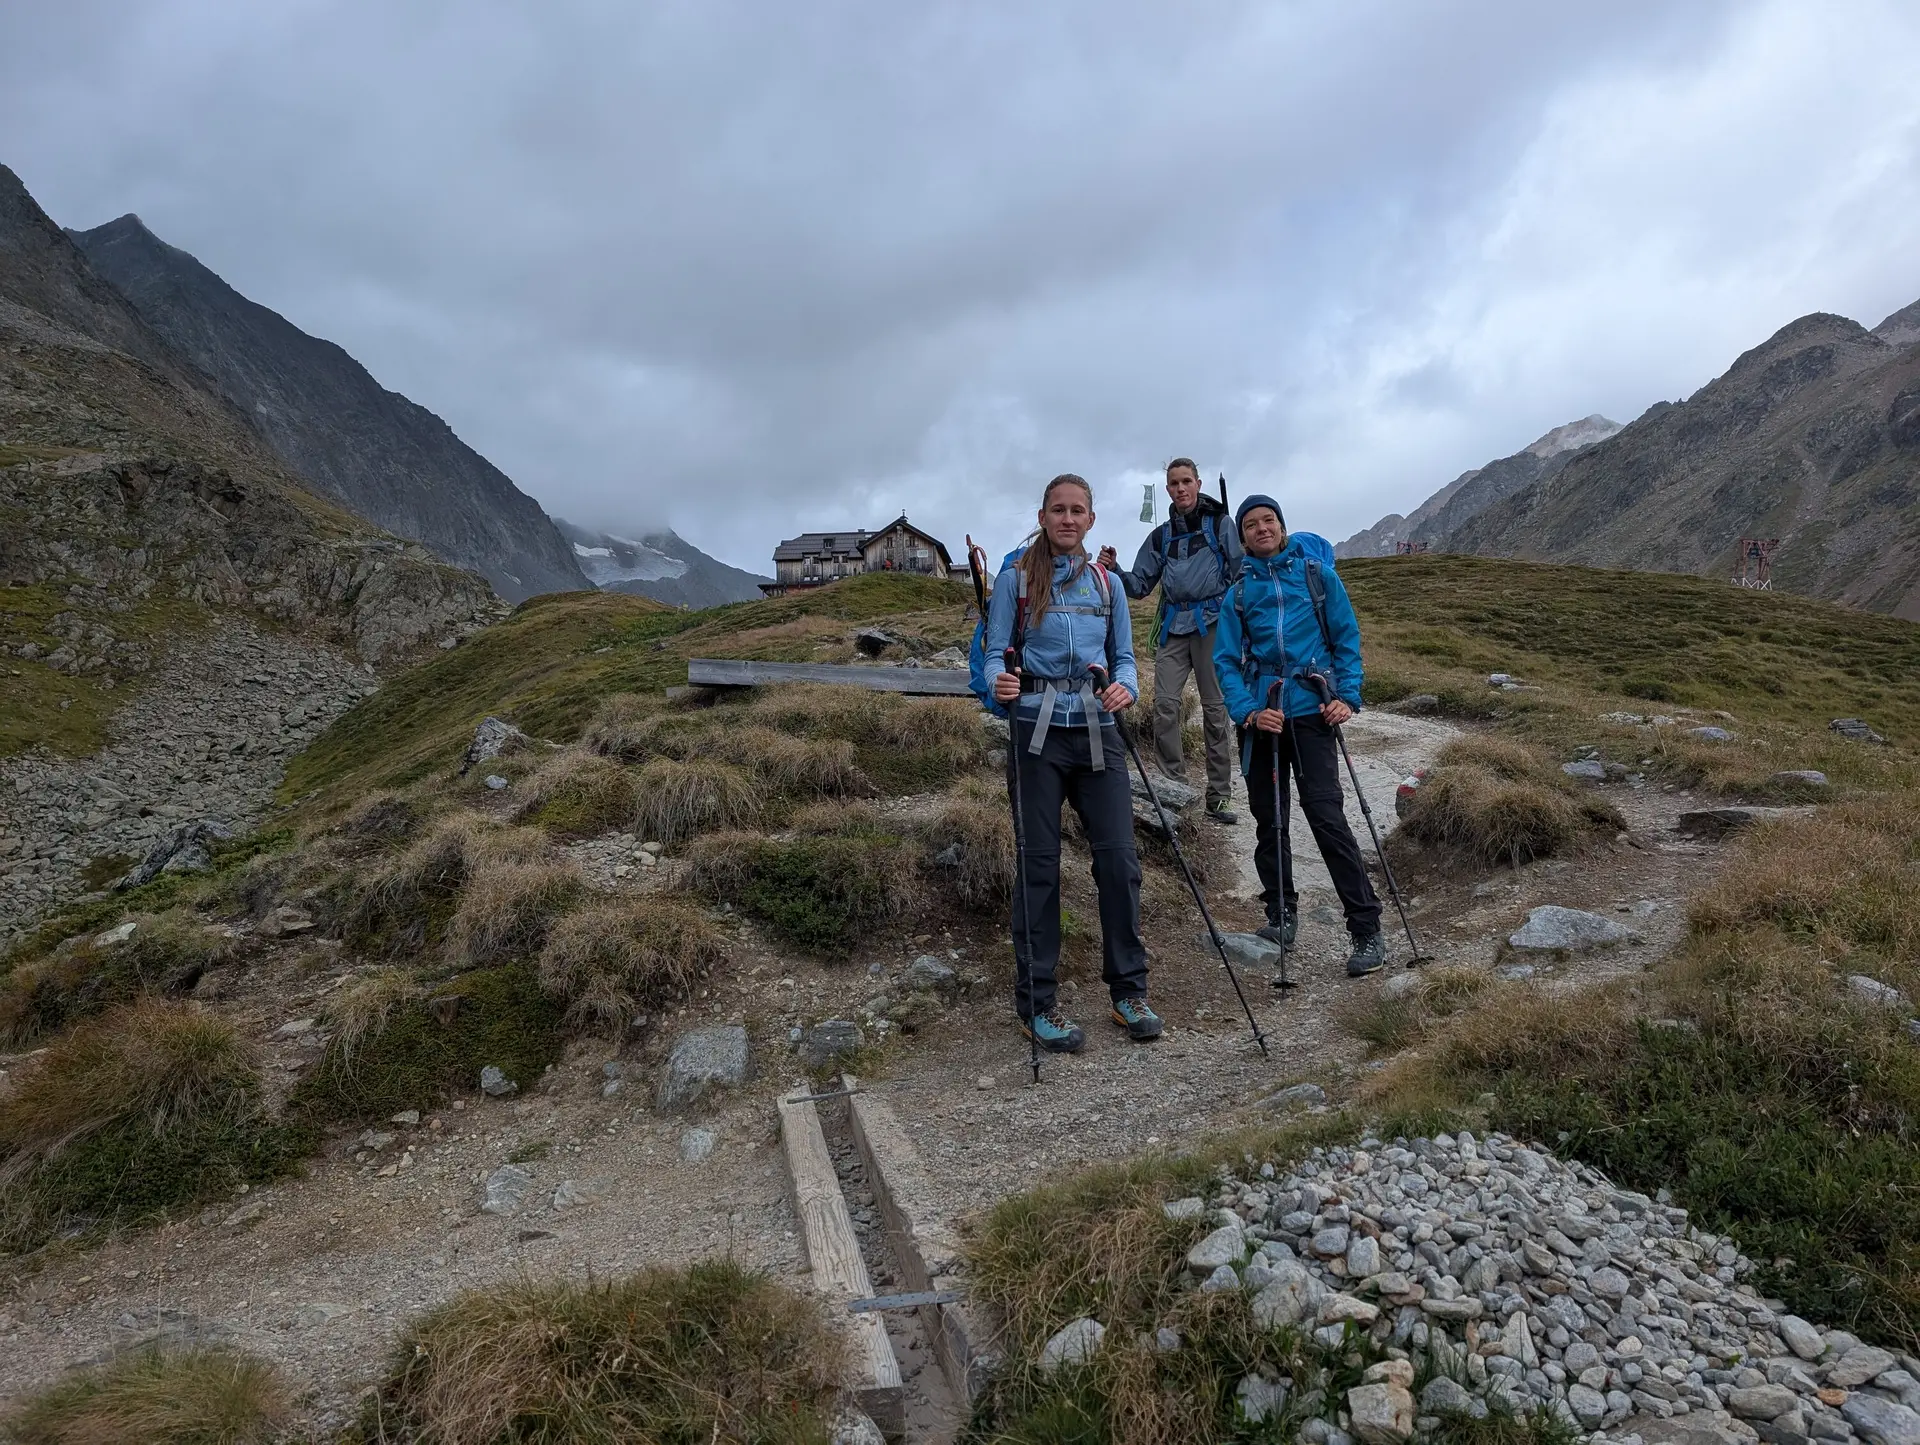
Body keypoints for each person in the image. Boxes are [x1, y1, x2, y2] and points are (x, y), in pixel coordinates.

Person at [987, 474, 1162, 1052]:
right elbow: (993, 655)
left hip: (1097, 733)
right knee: (1038, 867)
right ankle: (1037, 1005)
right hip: (1034, 735)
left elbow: (1125, 660)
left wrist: (1126, 690)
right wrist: (1000, 682)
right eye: (1058, 510)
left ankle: (1128, 993)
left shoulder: (1107, 586)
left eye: (1077, 511)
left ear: (1091, 519)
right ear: (1041, 517)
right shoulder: (1014, 581)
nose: (1067, 519)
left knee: (1119, 862)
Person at [1213, 495, 1386, 977]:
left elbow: (1345, 638)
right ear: (1242, 537)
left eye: (1268, 521)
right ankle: (1280, 914)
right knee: (1270, 822)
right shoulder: (1239, 594)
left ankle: (1366, 926)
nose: (1261, 529)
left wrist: (1346, 697)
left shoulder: (1317, 576)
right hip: (1263, 720)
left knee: (1327, 818)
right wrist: (1248, 712)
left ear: (1282, 526)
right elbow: (1225, 661)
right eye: (1251, 525)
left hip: (1312, 714)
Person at [1098, 459, 1241, 825]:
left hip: (1213, 626)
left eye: (1186, 481)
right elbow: (1141, 585)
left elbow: (1242, 572)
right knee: (1164, 706)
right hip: (1174, 626)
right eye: (1174, 483)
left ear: (1198, 483)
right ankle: (1170, 787)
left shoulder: (1221, 524)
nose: (1181, 488)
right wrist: (1115, 570)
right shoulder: (1161, 536)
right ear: (1167, 490)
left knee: (1214, 711)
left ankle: (1219, 796)